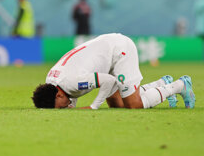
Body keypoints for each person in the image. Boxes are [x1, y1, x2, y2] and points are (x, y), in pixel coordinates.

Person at [32, 33, 195, 109]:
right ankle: (161, 84)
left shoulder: (70, 82)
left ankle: (180, 85)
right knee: (118, 105)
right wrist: (71, 105)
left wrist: (94, 106)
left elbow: (108, 81)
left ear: (58, 95)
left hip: (119, 50)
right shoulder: (53, 83)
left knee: (133, 105)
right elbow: (70, 92)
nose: (62, 109)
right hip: (104, 54)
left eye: (59, 108)